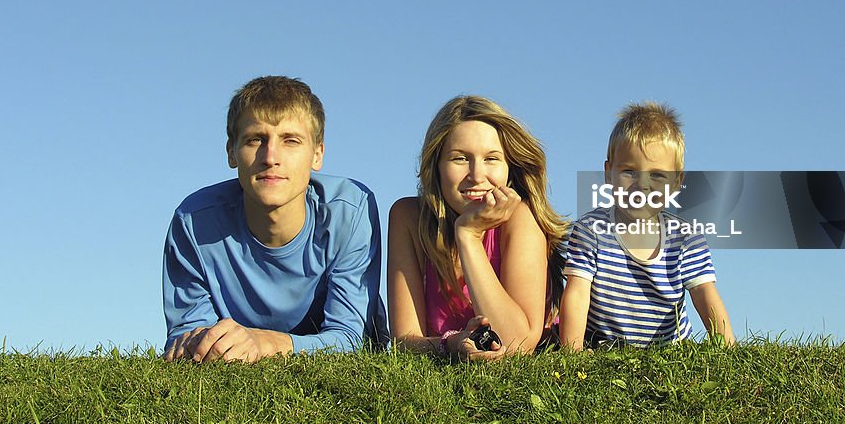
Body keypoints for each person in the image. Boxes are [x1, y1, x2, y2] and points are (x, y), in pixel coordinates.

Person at [162, 75, 387, 362]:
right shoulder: (193, 222)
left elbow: (349, 337)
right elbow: (189, 338)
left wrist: (264, 343)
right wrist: (206, 343)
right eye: (255, 139)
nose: (270, 157)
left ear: (317, 154)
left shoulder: (351, 211)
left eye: (290, 141)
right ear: (231, 151)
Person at [387, 96, 569, 360]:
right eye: (460, 159)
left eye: (491, 159)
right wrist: (450, 344)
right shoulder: (407, 217)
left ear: (510, 167)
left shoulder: (521, 219)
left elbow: (516, 344)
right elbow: (403, 342)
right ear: (436, 165)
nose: (476, 175)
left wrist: (469, 236)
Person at [559, 102, 735, 348]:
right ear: (608, 173)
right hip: (602, 347)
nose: (642, 184)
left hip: (670, 352)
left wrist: (726, 347)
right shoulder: (590, 230)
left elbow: (705, 294)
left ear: (676, 182)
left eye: (657, 175)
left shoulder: (685, 237)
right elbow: (577, 293)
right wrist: (573, 351)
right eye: (629, 171)